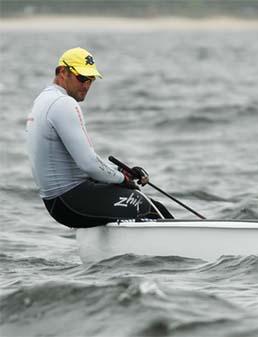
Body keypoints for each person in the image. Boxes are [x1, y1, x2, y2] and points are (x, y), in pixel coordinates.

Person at [26, 47, 173, 228]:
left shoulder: (43, 100)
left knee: (131, 197)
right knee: (147, 206)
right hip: (71, 200)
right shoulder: (63, 104)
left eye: (91, 79)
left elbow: (82, 163)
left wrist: (122, 171)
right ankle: (184, 248)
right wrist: (122, 179)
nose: (87, 85)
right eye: (82, 78)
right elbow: (89, 165)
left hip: (59, 203)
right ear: (62, 72)